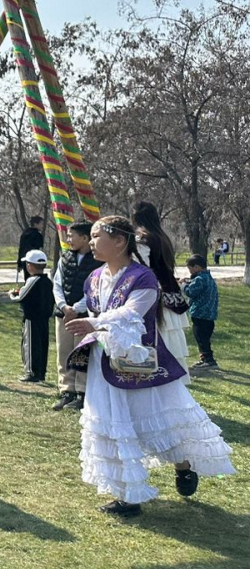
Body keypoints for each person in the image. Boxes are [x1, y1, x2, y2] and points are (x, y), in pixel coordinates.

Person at [64, 215, 234, 517]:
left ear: (119, 241)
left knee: (158, 422)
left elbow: (132, 313)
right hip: (104, 362)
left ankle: (183, 465)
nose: (91, 242)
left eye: (96, 236)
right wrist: (72, 310)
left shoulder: (143, 278)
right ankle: (127, 496)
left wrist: (94, 322)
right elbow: (90, 304)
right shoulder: (95, 277)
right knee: (113, 424)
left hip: (140, 364)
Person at [132, 201, 192, 384]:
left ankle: (161, 381)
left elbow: (141, 268)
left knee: (157, 339)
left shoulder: (143, 239)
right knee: (168, 339)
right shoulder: (161, 236)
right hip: (169, 291)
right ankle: (172, 381)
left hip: (154, 295)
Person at [50, 221, 100, 411]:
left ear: (85, 238)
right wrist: (64, 307)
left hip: (84, 315)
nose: (68, 239)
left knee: (82, 352)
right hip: (64, 315)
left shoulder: (97, 260)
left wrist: (77, 308)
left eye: (72, 236)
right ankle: (66, 390)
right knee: (64, 352)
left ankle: (82, 391)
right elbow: (57, 284)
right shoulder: (65, 258)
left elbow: (95, 289)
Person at [11, 248, 54, 384]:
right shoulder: (48, 281)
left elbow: (21, 297)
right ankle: (41, 372)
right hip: (44, 318)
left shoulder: (32, 280)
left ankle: (31, 372)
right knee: (42, 344)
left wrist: (12, 294)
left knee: (30, 344)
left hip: (31, 318)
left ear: (29, 266)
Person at [184, 254, 221, 373]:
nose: (190, 271)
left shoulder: (200, 279)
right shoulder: (208, 278)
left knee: (200, 337)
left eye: (190, 268)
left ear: (197, 267)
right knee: (205, 338)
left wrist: (184, 285)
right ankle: (205, 358)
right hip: (210, 315)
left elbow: (190, 292)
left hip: (200, 314)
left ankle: (208, 360)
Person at [17, 216, 45, 281]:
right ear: (35, 224)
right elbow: (39, 251)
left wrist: (19, 263)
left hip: (25, 260)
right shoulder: (38, 235)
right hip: (35, 261)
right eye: (41, 224)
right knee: (35, 280)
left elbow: (21, 249)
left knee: (27, 279)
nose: (42, 226)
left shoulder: (24, 234)